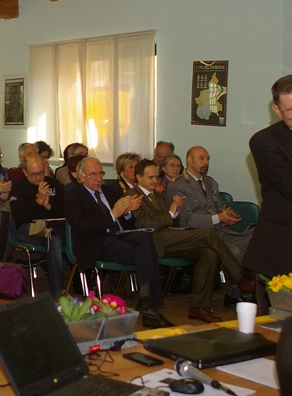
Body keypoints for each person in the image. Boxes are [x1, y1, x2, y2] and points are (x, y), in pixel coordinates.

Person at [128, 159, 254, 323]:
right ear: (138, 177)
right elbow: (143, 224)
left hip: (170, 236)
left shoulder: (157, 196)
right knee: (207, 234)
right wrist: (171, 213)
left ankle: (199, 307)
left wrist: (177, 208)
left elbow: (172, 220)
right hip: (153, 241)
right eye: (150, 177)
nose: (155, 181)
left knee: (209, 254)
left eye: (156, 177)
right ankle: (240, 278)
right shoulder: (132, 196)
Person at [64, 157, 172, 328]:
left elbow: (128, 222)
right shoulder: (73, 196)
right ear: (81, 176)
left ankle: (145, 299)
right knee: (145, 254)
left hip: (120, 235)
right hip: (95, 242)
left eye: (101, 173)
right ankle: (151, 309)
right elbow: (82, 226)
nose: (98, 179)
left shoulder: (109, 191)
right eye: (93, 175)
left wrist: (128, 212)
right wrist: (114, 214)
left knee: (145, 238)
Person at [245, 75, 292, 310]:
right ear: (277, 110)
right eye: (291, 109)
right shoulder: (265, 141)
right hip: (281, 250)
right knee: (277, 334)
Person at [9, 154, 66, 298]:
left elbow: (65, 210)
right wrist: (38, 201)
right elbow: (19, 218)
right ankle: (58, 289)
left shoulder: (53, 184)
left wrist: (48, 206)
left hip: (54, 225)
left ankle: (81, 282)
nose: (39, 177)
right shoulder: (18, 187)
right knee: (52, 239)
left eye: (41, 172)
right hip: (28, 229)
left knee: (74, 234)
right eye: (34, 174)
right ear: (25, 172)